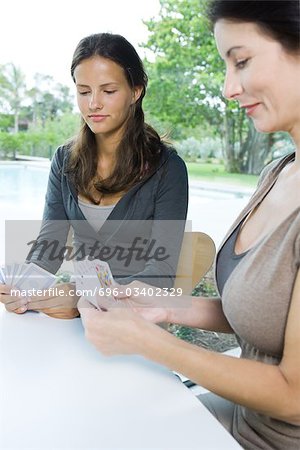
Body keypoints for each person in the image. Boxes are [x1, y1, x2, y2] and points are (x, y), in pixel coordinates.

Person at [78, 1, 300, 449]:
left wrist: (152, 342)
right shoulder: (279, 172)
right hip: (240, 417)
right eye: (84, 90)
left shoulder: (166, 168)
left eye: (241, 61)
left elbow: (294, 398)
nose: (227, 88)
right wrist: (167, 306)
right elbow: (263, 313)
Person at [0, 33, 188, 319]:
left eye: (108, 91)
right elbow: (49, 247)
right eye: (84, 91)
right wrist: (24, 289)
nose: (93, 104)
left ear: (135, 91)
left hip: (134, 322)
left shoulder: (167, 169)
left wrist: (82, 295)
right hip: (79, 320)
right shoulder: (64, 160)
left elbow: (161, 275)